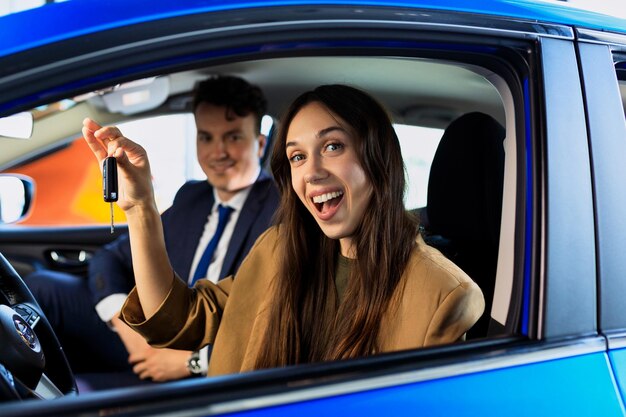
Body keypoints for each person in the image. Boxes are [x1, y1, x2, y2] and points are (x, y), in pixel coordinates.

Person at [82, 84, 484, 376]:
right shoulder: (279, 248)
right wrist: (139, 206)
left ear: (378, 157)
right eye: (297, 156)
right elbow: (178, 320)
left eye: (332, 146)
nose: (312, 172)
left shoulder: (444, 294)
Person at [25, 75, 279, 385]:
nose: (218, 152)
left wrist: (194, 362)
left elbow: (274, 315)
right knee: (41, 288)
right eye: (206, 138)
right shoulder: (192, 198)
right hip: (149, 335)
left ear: (260, 143)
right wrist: (126, 326)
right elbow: (110, 258)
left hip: (212, 361)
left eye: (233, 137)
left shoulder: (280, 210)